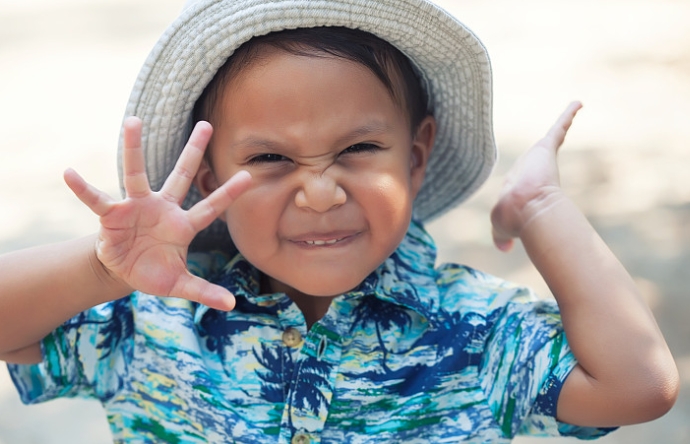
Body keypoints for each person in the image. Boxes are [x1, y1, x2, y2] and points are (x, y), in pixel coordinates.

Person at [0, 0, 678, 442]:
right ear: (207, 178)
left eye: (357, 149)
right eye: (269, 157)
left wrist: (541, 208)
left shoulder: (477, 331)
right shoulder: (152, 318)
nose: (320, 193)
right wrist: (99, 269)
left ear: (416, 156)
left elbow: (638, 385)